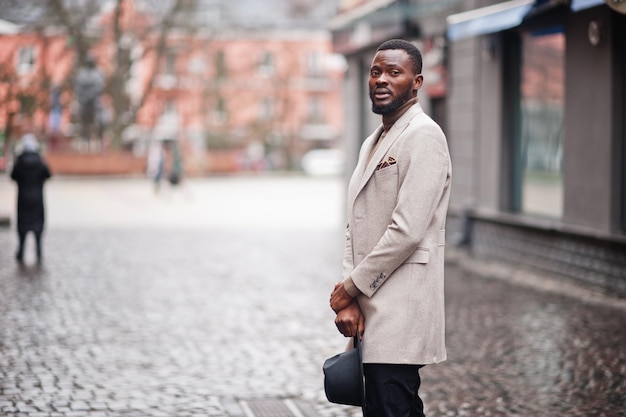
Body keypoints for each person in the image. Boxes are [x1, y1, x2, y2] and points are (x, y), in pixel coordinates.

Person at [329, 39, 452, 417]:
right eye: (376, 71)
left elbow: (406, 231)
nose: (381, 79)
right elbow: (358, 225)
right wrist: (353, 298)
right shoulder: (374, 141)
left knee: (395, 407)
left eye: (394, 73)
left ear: (416, 82)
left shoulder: (424, 136)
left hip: (402, 310)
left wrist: (349, 289)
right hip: (373, 307)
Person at [10, 133, 52, 263]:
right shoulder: (40, 161)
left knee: (22, 224)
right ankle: (38, 250)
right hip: (37, 198)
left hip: (23, 198)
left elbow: (13, 176)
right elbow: (48, 174)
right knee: (38, 224)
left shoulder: (20, 162)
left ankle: (21, 250)